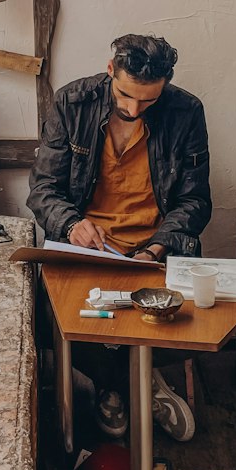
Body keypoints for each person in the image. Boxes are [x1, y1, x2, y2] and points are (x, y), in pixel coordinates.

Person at [28, 34, 212, 441]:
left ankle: (120, 385)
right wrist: (72, 224)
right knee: (51, 314)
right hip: (87, 247)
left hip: (155, 247)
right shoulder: (72, 102)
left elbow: (195, 201)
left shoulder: (186, 112)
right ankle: (133, 384)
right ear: (111, 71)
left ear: (165, 85)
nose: (133, 109)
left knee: (190, 316)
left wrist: (155, 248)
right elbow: (43, 191)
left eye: (148, 101)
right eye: (126, 96)